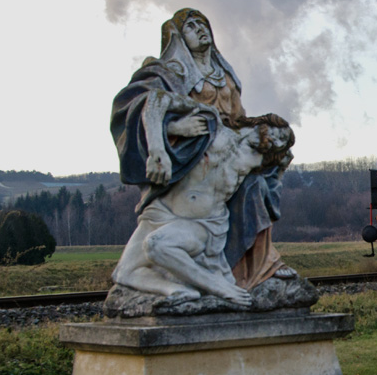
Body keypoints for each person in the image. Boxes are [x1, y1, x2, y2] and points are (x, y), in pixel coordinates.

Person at [111, 8, 296, 291]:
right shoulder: (166, 71)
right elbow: (139, 106)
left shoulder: (226, 75)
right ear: (177, 37)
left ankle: (260, 266)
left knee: (257, 184)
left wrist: (273, 147)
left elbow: (239, 118)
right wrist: (172, 129)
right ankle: (192, 274)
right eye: (191, 26)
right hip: (187, 156)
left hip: (224, 151)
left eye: (203, 24)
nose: (200, 29)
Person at [112, 117, 294, 304]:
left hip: (201, 223)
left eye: (282, 142)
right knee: (124, 272)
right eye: (279, 134)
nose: (277, 141)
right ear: (267, 122)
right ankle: (179, 290)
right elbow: (156, 104)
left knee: (156, 245)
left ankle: (217, 285)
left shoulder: (258, 159)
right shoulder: (214, 127)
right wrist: (172, 127)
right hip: (162, 210)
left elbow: (271, 190)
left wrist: (281, 167)